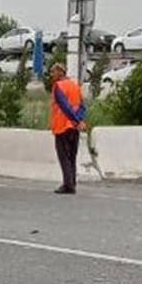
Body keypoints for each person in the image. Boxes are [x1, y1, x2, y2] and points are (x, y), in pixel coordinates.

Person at [49, 63, 87, 194]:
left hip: (63, 126)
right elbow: (82, 106)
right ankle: (72, 182)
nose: (51, 75)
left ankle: (68, 185)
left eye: (53, 72)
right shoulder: (75, 86)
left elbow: (65, 106)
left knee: (64, 156)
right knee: (72, 156)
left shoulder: (58, 86)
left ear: (60, 72)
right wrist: (79, 121)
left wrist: (75, 120)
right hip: (74, 128)